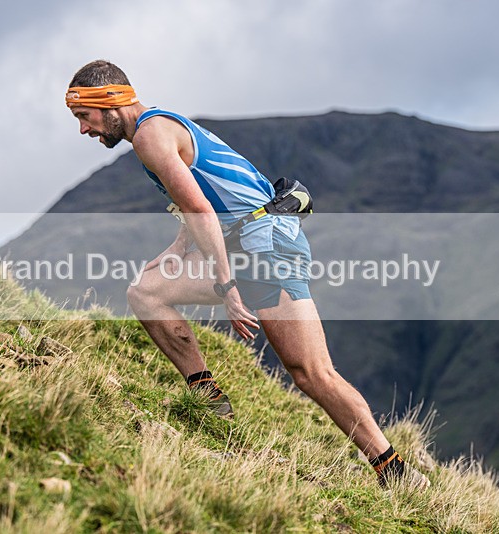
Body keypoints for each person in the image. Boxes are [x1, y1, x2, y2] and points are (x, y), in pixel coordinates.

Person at [65, 59, 429, 489]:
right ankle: (210, 401)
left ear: (109, 102)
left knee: (311, 372)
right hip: (246, 245)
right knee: (146, 291)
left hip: (267, 246)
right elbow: (197, 199)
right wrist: (174, 252)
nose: (84, 130)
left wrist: (226, 286)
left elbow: (201, 209)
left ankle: (396, 472)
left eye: (83, 118)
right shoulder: (154, 129)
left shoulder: (150, 135)